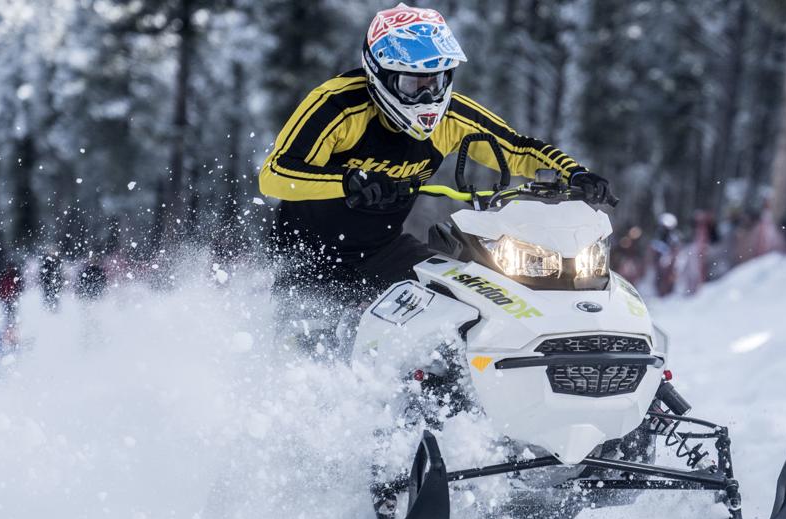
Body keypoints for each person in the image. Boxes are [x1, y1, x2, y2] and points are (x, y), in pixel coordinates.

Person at [260, 3, 613, 303]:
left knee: (461, 303)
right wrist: (350, 181)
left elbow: (517, 148)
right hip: (307, 254)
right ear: (380, 75)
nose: (427, 98)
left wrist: (575, 173)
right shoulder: (337, 106)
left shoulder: (453, 117)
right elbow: (275, 175)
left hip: (385, 250)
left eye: (437, 81)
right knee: (311, 347)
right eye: (413, 84)